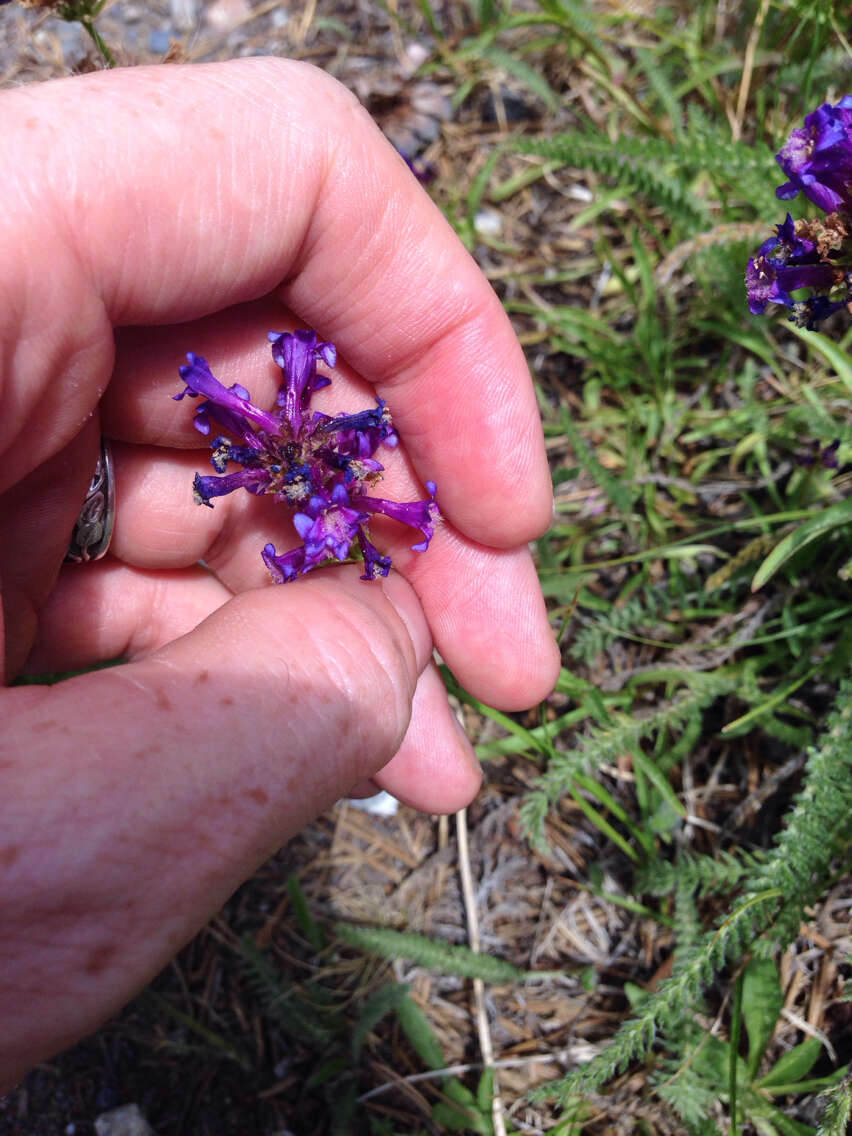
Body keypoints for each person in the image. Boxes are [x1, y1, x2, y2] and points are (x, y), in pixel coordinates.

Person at [0, 57, 559, 1089]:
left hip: (300, 467)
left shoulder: (312, 461)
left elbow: (326, 477)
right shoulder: (256, 476)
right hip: (281, 470)